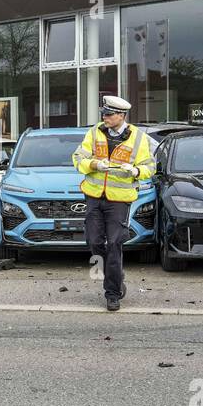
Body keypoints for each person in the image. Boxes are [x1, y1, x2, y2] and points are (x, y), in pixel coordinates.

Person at [71, 95, 156, 312]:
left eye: (109, 114)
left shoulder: (138, 137)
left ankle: (112, 293)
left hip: (119, 200)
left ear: (121, 116)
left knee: (115, 243)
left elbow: (150, 167)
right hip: (94, 196)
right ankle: (117, 279)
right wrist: (95, 164)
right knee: (94, 242)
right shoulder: (94, 132)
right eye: (104, 114)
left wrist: (136, 171)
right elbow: (77, 158)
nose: (105, 118)